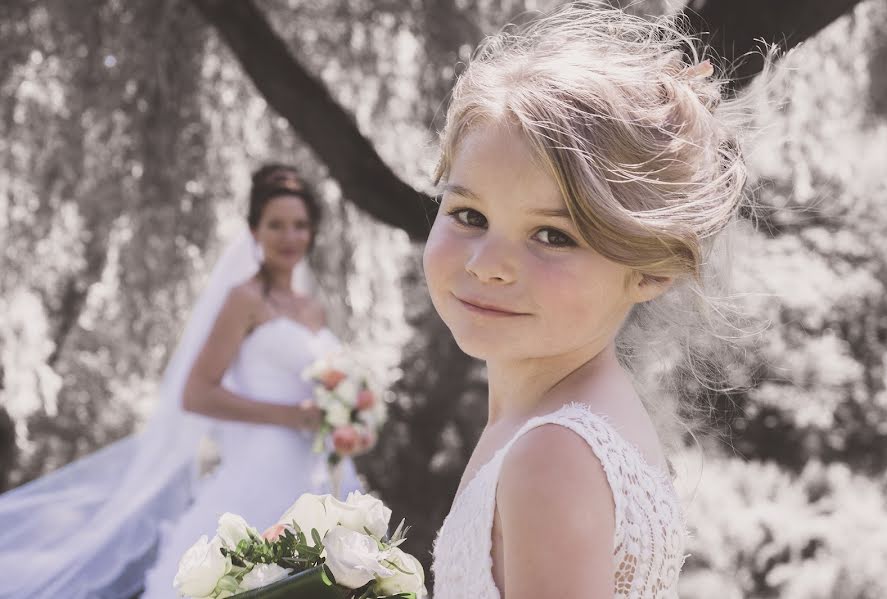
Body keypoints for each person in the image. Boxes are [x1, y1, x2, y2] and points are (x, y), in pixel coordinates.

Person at [426, 4, 760, 597]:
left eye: (553, 236)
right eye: (469, 215)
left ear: (650, 269)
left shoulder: (551, 457)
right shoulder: (554, 426)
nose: (487, 265)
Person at [0, 164, 371, 599]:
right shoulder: (244, 301)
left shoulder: (313, 309)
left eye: (299, 226)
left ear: (312, 232)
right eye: (276, 225)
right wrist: (289, 416)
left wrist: (347, 417)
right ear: (254, 231)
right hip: (261, 466)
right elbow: (196, 393)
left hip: (317, 468)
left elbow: (324, 386)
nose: (289, 237)